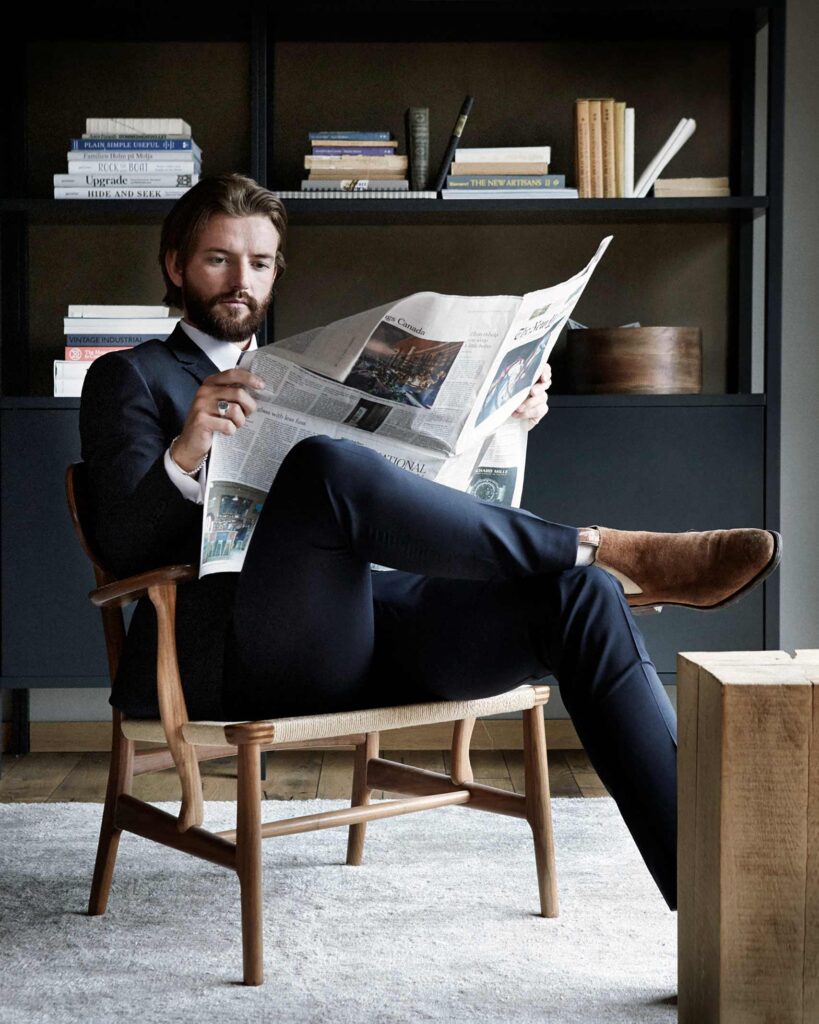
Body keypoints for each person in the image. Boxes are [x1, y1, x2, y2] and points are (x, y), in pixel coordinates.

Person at [79, 173, 781, 913]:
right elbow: (123, 545)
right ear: (175, 266)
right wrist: (186, 450)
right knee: (325, 464)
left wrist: (498, 422)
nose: (240, 279)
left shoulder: (307, 367)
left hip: (382, 624)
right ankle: (603, 544)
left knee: (581, 596)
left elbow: (431, 501)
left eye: (259, 262)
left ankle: (718, 906)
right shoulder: (133, 378)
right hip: (250, 654)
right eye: (218, 258)